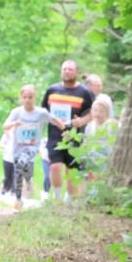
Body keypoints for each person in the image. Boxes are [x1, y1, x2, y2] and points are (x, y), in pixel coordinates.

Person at [3, 85, 64, 211]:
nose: (27, 100)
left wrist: (65, 129)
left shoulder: (41, 113)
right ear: (21, 98)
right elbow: (5, 126)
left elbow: (54, 120)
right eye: (25, 97)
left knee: (21, 163)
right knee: (19, 172)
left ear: (35, 97)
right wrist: (14, 124)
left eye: (30, 97)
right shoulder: (16, 112)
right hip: (17, 147)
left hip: (32, 147)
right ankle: (19, 197)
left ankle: (19, 197)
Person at [41, 60, 93, 199]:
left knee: (72, 173)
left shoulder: (84, 92)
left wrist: (81, 121)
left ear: (76, 72)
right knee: (55, 167)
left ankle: (69, 201)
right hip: (55, 137)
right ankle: (57, 197)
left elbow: (92, 113)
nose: (67, 71)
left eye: (70, 69)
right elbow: (43, 112)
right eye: (64, 69)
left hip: (75, 138)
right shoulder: (52, 90)